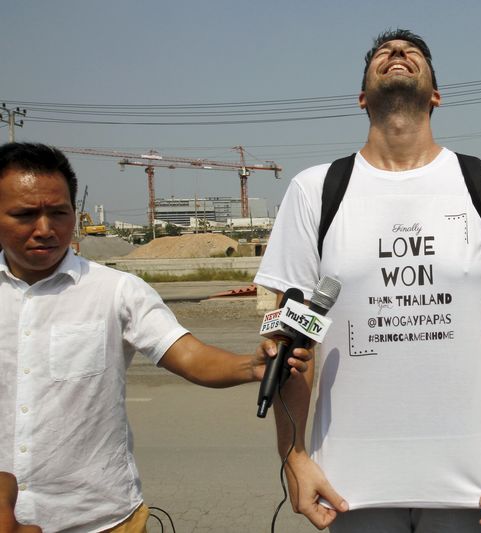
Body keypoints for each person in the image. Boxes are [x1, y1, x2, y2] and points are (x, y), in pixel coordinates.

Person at [255, 29, 481, 532]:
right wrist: (293, 456)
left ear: (436, 94)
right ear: (362, 97)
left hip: (470, 483)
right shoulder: (315, 191)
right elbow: (291, 342)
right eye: (382, 53)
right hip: (349, 486)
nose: (396, 53)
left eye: (414, 52)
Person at [0, 142, 309, 532]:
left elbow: (188, 356)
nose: (44, 229)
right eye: (24, 215)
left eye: (58, 214)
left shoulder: (117, 290)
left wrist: (252, 365)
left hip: (102, 520)